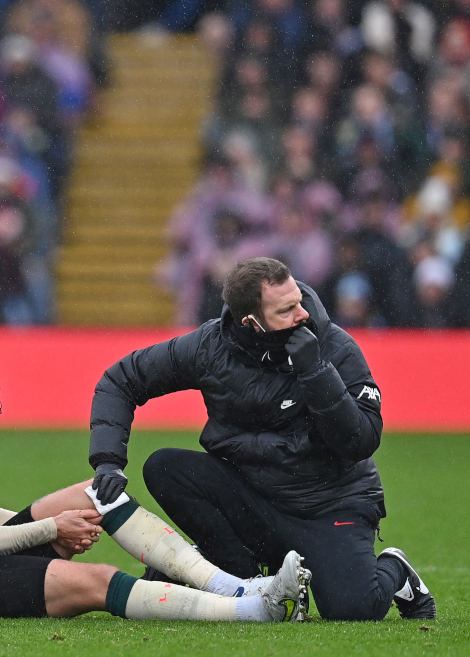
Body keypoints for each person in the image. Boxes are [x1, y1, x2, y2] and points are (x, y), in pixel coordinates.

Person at [88, 257, 436, 622]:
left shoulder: (333, 345)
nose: (301, 314)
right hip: (253, 497)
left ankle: (397, 570)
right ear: (251, 324)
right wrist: (108, 462)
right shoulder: (209, 346)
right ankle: (240, 572)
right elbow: (121, 379)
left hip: (329, 503)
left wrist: (315, 372)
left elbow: (361, 442)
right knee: (164, 467)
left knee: (355, 610)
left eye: (298, 300)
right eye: (286, 310)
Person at [0, 358, 310, 622]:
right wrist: (50, 528)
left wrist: (52, 528)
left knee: (99, 492)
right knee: (99, 581)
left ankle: (234, 586)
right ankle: (252, 610)